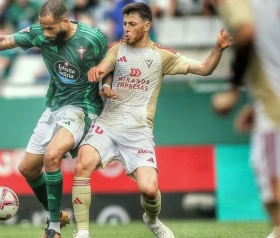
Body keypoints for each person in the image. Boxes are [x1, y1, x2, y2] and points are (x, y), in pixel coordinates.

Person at [0, 1, 108, 237]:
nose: (46, 34)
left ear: (65, 22)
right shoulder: (39, 34)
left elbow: (111, 63)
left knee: (52, 157)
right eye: (43, 27)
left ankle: (53, 229)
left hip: (83, 108)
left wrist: (108, 88)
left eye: (50, 28)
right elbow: (3, 42)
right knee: (28, 169)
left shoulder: (92, 38)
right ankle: (58, 214)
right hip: (55, 106)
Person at [70, 2, 231, 238]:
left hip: (138, 132)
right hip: (108, 125)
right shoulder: (117, 48)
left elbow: (205, 69)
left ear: (147, 26)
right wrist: (101, 76)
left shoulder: (162, 56)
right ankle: (82, 232)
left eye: (132, 24)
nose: (126, 28)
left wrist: (218, 48)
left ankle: (152, 220)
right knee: (82, 164)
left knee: (149, 189)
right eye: (124, 23)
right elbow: (105, 66)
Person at [212, 0, 280, 237]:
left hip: (274, 110)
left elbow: (246, 33)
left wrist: (233, 89)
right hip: (268, 100)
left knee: (274, 195)